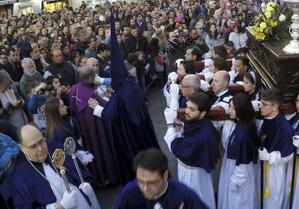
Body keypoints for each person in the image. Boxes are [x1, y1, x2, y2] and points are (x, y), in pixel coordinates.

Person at [102, 14, 159, 185]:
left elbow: (109, 116)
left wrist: (100, 109)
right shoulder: (131, 85)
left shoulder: (120, 94)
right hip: (144, 134)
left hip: (132, 141)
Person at [8, 124, 100, 209]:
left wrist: (87, 183)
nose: (40, 149)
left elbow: (80, 171)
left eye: (41, 141)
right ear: (21, 148)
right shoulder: (18, 176)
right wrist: (59, 207)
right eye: (33, 146)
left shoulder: (56, 148)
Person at [164, 92, 219, 209]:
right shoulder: (197, 121)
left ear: (203, 113)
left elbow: (175, 148)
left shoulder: (203, 136)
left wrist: (170, 125)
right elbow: (185, 130)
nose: (187, 111)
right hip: (188, 168)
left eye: (192, 109)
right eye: (187, 107)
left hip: (193, 175)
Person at [69, 65, 117, 187]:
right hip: (98, 131)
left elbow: (73, 110)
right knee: (102, 150)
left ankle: (99, 180)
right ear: (91, 78)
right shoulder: (91, 94)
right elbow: (108, 109)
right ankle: (109, 178)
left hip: (83, 130)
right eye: (95, 75)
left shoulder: (74, 90)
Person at [113, 148, 208, 209]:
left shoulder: (184, 195)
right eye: (140, 181)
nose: (145, 188)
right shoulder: (129, 192)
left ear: (165, 175)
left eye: (152, 182)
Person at [217, 93, 258, 209]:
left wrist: (234, 183)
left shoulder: (244, 135)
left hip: (238, 172)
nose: (230, 110)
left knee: (237, 202)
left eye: (233, 108)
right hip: (232, 165)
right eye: (230, 106)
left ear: (242, 109)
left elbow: (244, 165)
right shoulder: (242, 124)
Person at [257, 88, 294, 209]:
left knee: (273, 199)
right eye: (260, 103)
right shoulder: (265, 119)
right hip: (261, 165)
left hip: (274, 169)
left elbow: (288, 155)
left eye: (264, 104)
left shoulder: (284, 127)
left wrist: (269, 156)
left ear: (275, 107)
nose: (260, 107)